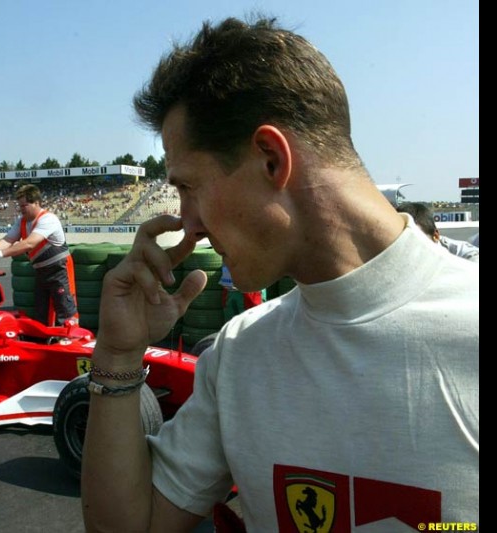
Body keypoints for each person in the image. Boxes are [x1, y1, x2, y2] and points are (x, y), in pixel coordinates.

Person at [81, 16, 478, 531]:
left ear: (271, 159)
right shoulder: (238, 353)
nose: (188, 225)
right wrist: (116, 355)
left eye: (188, 186)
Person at [0, 184, 78, 326]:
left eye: (24, 205)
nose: (21, 209)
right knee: (41, 310)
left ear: (36, 203)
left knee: (65, 308)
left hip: (59, 269)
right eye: (20, 206)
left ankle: (73, 339)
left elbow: (29, 243)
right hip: (41, 270)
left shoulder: (48, 219)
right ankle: (44, 340)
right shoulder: (22, 221)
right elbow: (9, 239)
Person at [396, 202, 479, 262]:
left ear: (435, 236)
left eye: (415, 241)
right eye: (400, 241)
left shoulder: (466, 255)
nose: (409, 249)